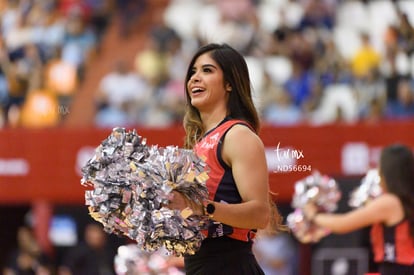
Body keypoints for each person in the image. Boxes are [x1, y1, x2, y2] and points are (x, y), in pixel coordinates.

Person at [168, 43, 283, 274]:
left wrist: (199, 206)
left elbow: (260, 215)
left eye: (207, 71)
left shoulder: (237, 135)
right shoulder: (199, 144)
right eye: (193, 72)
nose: (194, 79)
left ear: (229, 83)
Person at [304, 144, 414, 275]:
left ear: (387, 173)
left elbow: (343, 224)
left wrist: (313, 215)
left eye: (380, 168)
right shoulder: (400, 201)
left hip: (398, 270)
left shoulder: (390, 202)